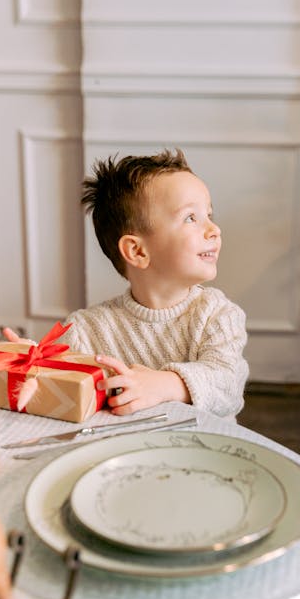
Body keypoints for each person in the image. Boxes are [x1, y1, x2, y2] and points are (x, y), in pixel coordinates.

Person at [61, 149, 249, 419]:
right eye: (191, 218)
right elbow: (58, 388)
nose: (213, 229)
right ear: (137, 252)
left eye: (210, 215)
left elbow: (228, 387)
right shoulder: (84, 331)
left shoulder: (217, 315)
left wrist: (166, 384)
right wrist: (29, 366)